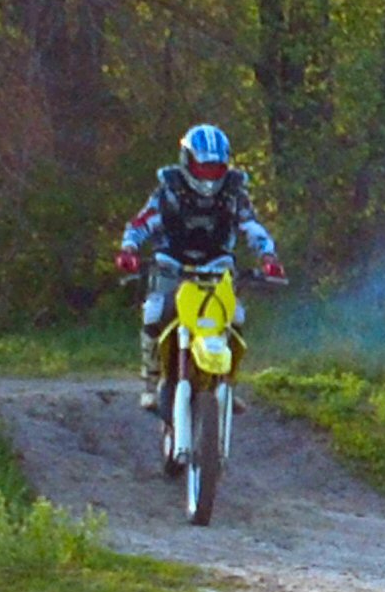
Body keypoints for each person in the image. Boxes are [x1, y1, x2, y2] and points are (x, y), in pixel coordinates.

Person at [115, 123, 285, 410]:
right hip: (172, 262)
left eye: (215, 169)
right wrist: (129, 249)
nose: (209, 175)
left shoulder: (234, 193)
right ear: (187, 161)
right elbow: (141, 223)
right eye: (203, 167)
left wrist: (268, 256)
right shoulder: (167, 192)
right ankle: (151, 380)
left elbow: (252, 226)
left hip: (217, 263)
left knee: (235, 317)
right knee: (155, 311)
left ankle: (227, 384)